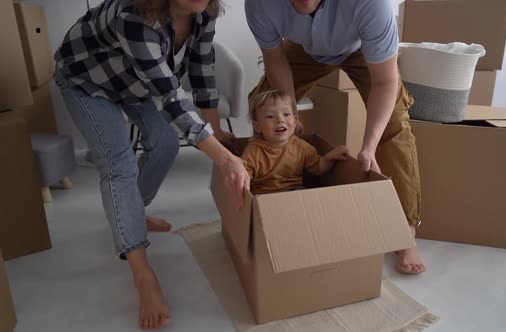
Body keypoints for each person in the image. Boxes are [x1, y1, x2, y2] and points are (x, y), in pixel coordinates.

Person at [53, 0, 249, 329]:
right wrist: (224, 158)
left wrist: (217, 140)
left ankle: (131, 214)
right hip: (86, 82)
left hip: (133, 82)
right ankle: (143, 277)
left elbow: (202, 70)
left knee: (166, 144)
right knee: (120, 165)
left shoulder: (205, 12)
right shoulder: (134, 15)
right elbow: (172, 98)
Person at [245, 0, 426, 274]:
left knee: (394, 124)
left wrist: (369, 147)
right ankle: (267, 194)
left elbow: (385, 82)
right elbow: (275, 59)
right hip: (307, 51)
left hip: (361, 49)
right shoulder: (259, 4)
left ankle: (405, 230)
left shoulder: (371, 4)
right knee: (265, 105)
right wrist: (289, 111)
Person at [242, 90, 348, 194]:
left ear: (295, 121)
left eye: (286, 114)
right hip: (264, 195)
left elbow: (318, 167)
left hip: (295, 192)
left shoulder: (300, 146)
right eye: (270, 116)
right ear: (257, 126)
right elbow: (243, 177)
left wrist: (329, 158)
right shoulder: (253, 151)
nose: (280, 120)